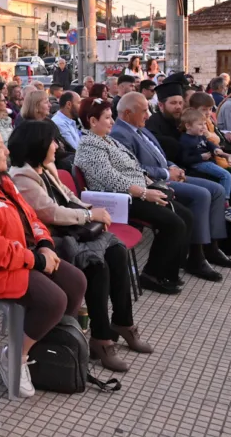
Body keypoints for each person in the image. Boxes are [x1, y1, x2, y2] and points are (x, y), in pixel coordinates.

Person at [0, 125, 87, 395]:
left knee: (75, 281)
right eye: (1, 146)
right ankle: (15, 354)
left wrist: (44, 244)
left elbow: (31, 218)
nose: (7, 151)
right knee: (53, 300)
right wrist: (35, 259)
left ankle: (46, 348)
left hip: (17, 260)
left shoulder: (3, 182)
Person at [8, 121, 152, 372]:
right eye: (52, 141)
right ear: (38, 145)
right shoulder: (21, 176)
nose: (57, 146)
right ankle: (101, 338)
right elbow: (50, 213)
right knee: (96, 264)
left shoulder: (44, 168)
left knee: (116, 251)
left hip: (69, 231)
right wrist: (89, 217)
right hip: (50, 241)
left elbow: (69, 196)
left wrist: (90, 212)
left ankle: (123, 322)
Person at [112, 91, 231, 281]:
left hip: (168, 173)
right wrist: (167, 173)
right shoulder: (121, 133)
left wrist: (173, 166)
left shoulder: (139, 127)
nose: (148, 115)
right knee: (202, 195)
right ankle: (196, 256)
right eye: (144, 111)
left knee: (218, 190)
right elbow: (135, 168)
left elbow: (158, 155)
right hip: (155, 182)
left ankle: (212, 247)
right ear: (128, 113)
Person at [73, 99, 191, 295]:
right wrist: (145, 193)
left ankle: (168, 272)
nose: (112, 122)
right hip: (116, 200)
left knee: (185, 215)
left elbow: (132, 166)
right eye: (108, 118)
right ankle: (151, 275)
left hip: (134, 192)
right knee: (174, 223)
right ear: (93, 121)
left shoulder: (106, 139)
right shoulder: (89, 146)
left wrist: (151, 183)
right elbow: (112, 179)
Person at [179, 109, 231, 223]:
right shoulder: (185, 140)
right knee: (226, 175)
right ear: (188, 126)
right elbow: (184, 159)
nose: (203, 127)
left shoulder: (200, 136)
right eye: (200, 124)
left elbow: (209, 144)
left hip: (207, 162)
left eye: (204, 124)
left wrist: (217, 150)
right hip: (198, 164)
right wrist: (201, 157)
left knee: (228, 173)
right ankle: (224, 204)